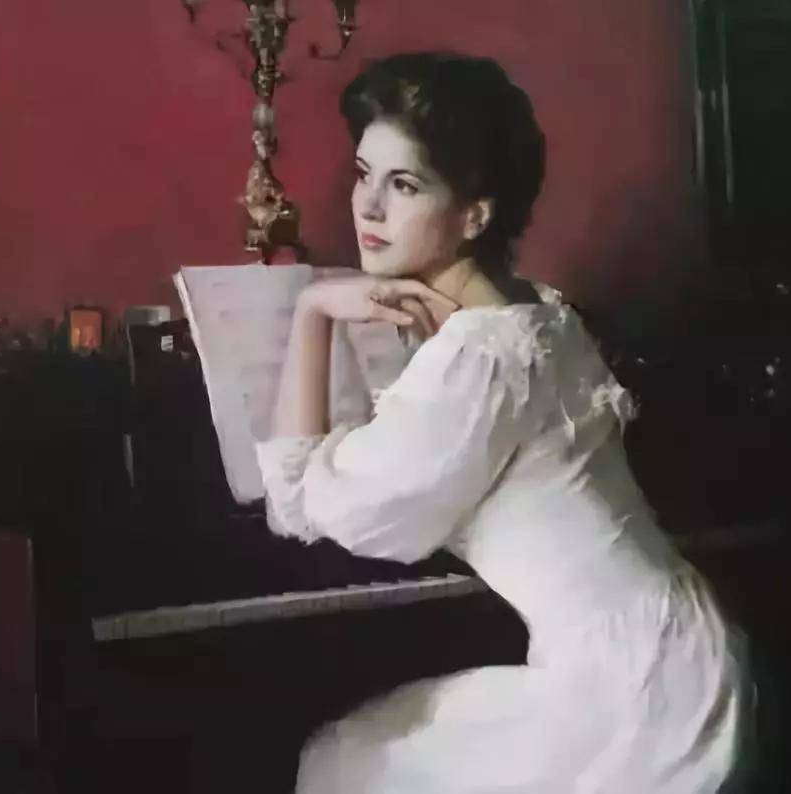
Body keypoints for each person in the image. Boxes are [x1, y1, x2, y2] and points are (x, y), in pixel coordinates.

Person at [254, 52, 751, 793]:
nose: (368, 208)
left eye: (404, 184)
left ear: (475, 215)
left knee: (344, 763)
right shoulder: (536, 309)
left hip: (634, 698)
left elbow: (294, 504)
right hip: (685, 649)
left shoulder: (479, 354)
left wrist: (311, 311)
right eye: (364, 175)